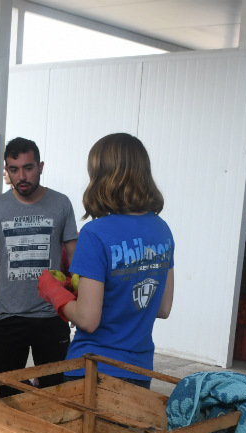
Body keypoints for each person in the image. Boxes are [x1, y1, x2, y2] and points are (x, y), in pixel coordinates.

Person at [37, 133, 174, 389]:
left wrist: (53, 291)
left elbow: (88, 320)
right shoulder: (162, 230)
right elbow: (163, 308)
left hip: (93, 370)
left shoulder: (95, 232)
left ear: (103, 177)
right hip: (139, 370)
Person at [0, 138, 78, 393]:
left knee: (56, 393)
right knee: (3, 393)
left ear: (40, 167)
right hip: (9, 315)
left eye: (28, 168)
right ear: (7, 171)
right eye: (14, 169)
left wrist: (77, 302)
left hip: (52, 315)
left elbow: (75, 255)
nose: (22, 175)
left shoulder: (61, 203)